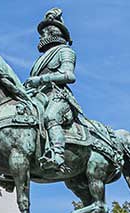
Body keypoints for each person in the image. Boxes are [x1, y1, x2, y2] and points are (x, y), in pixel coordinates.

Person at [25, 8, 83, 172]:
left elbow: (69, 75)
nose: (40, 37)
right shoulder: (41, 59)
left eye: (43, 33)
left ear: (52, 34)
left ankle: (57, 155)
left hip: (57, 96)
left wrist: (41, 79)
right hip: (38, 97)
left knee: (50, 117)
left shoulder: (65, 52)